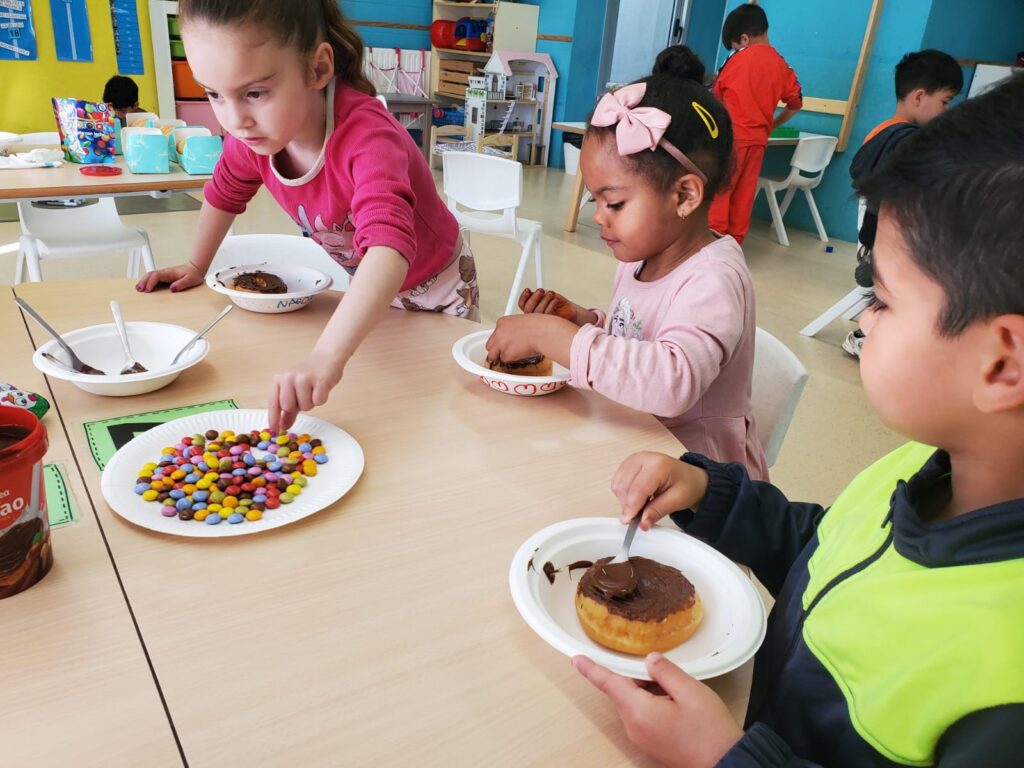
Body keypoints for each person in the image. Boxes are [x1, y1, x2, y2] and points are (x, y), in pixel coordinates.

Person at [573, 74, 1024, 768]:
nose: (862, 320)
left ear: (1002, 365)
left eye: (880, 299)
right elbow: (827, 549)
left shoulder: (1004, 687)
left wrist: (725, 758)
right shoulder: (924, 465)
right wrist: (713, 495)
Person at [136, 0, 479, 432]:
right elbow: (224, 193)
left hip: (441, 290)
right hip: (372, 291)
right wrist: (195, 264)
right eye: (214, 94)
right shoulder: (252, 138)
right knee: (384, 391)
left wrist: (324, 357)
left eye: (255, 93)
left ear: (318, 69)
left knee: (438, 409)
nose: (235, 120)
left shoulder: (368, 135)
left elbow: (388, 248)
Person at [486, 47, 768, 480]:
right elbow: (637, 336)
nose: (599, 217)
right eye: (594, 200)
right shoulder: (642, 255)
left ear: (685, 195)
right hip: (636, 444)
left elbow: (672, 381)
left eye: (614, 203)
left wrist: (552, 336)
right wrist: (583, 322)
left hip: (700, 481)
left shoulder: (713, 279)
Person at [843, 49, 963, 358]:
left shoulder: (879, 133)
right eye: (946, 101)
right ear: (919, 96)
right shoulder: (911, 143)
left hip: (873, 243)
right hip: (890, 250)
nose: (947, 110)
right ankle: (870, 335)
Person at [708, 4, 802, 245]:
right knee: (744, 194)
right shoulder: (782, 65)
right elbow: (795, 104)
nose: (734, 51)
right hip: (759, 141)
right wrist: (772, 125)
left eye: (734, 46)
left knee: (721, 191)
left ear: (744, 39)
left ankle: (713, 245)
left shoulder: (735, 60)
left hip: (730, 139)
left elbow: (715, 100)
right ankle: (734, 247)